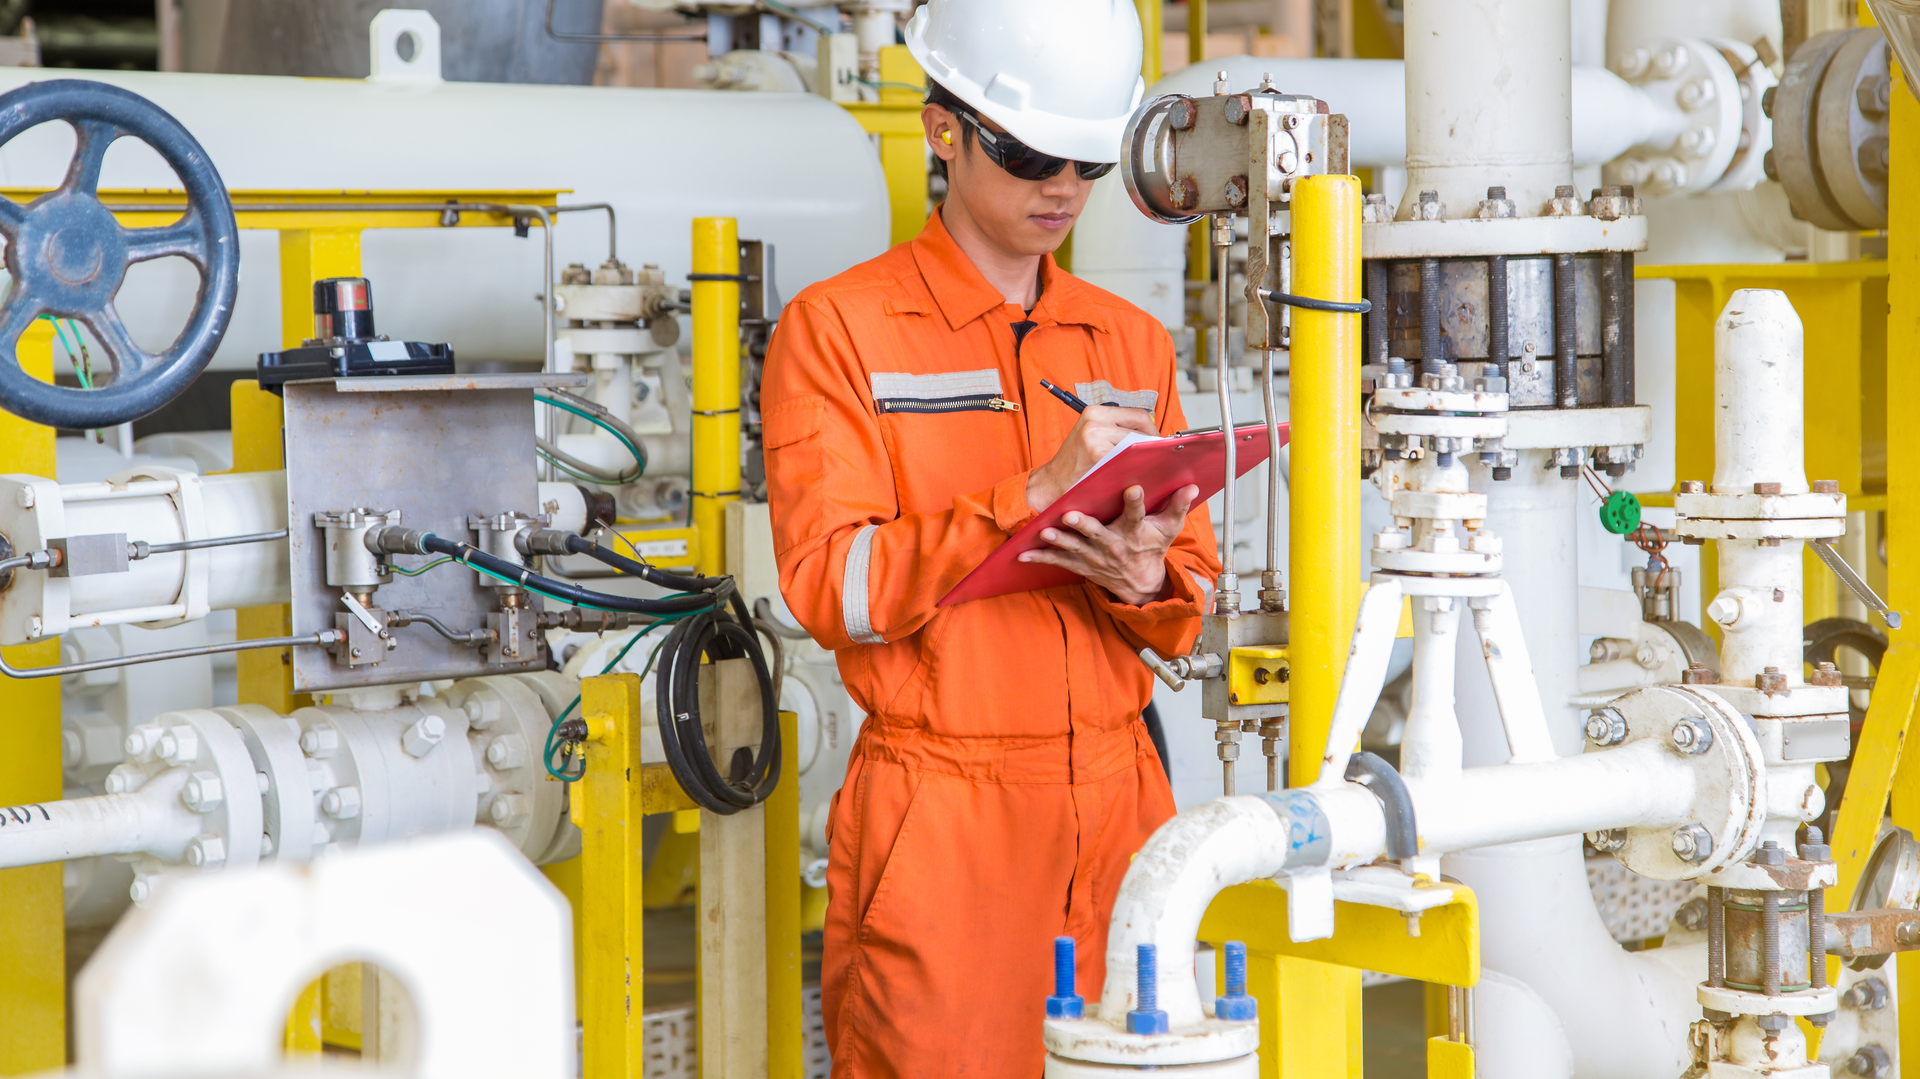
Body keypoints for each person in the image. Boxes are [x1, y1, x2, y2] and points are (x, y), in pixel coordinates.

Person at [760, 0, 1220, 1072]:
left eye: (1086, 162)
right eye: (1029, 155)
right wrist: (1027, 497)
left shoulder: (1130, 340)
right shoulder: (840, 333)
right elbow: (833, 584)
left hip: (1121, 807)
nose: (1060, 188)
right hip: (944, 821)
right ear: (944, 131)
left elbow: (1190, 598)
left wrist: (1145, 575)